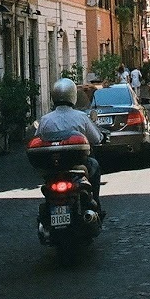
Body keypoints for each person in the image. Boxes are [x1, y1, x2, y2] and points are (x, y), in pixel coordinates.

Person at [36, 78, 105, 215]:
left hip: (52, 166)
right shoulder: (81, 117)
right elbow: (96, 138)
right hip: (78, 165)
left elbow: (37, 139)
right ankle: (96, 203)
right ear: (72, 95)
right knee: (95, 166)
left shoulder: (45, 120)